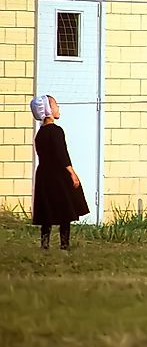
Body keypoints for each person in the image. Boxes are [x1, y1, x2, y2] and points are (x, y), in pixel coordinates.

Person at [30, 95, 89, 250]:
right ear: (48, 109)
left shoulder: (40, 133)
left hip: (44, 175)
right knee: (65, 210)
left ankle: (45, 244)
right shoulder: (56, 131)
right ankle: (64, 244)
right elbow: (61, 153)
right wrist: (71, 172)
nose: (58, 108)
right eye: (55, 105)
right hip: (58, 175)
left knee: (47, 212)